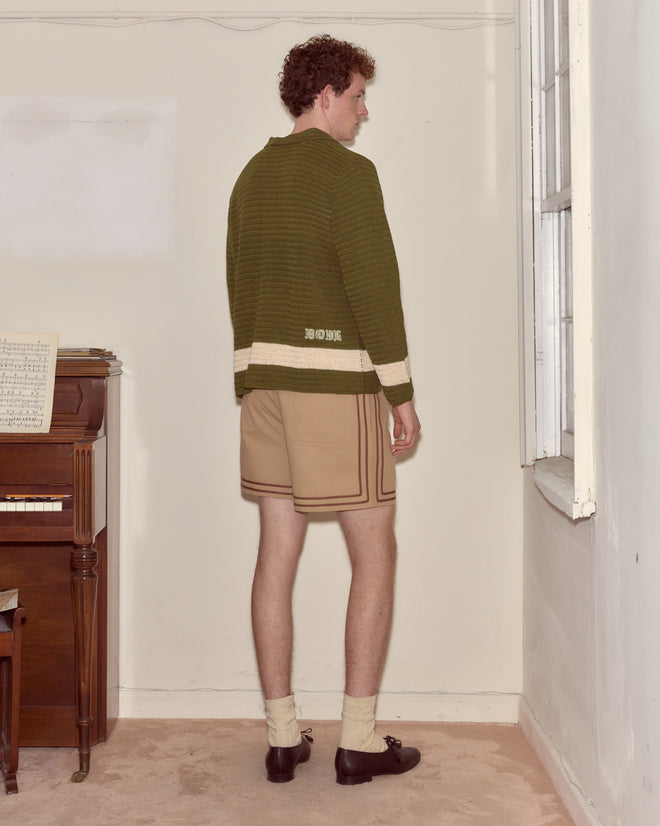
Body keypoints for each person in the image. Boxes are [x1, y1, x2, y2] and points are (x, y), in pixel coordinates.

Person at [226, 33, 421, 785]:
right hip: (335, 390)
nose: (364, 113)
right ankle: (359, 740)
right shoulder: (348, 174)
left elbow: (238, 284)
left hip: (266, 387)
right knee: (375, 554)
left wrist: (249, 375)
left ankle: (282, 736)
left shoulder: (252, 174)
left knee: (276, 552)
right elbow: (375, 288)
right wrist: (399, 392)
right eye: (360, 95)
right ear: (325, 94)